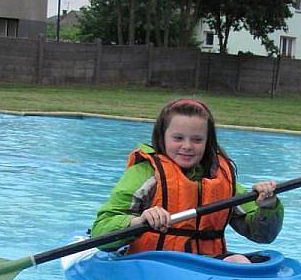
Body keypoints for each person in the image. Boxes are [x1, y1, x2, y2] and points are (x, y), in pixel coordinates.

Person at [90, 97, 284, 263]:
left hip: (207, 267)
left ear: (208, 142)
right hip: (151, 265)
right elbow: (100, 233)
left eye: (197, 140)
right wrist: (139, 221)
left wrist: (268, 206)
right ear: (162, 137)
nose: (187, 146)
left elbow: (263, 235)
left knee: (242, 262)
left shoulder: (222, 179)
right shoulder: (144, 174)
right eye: (178, 138)